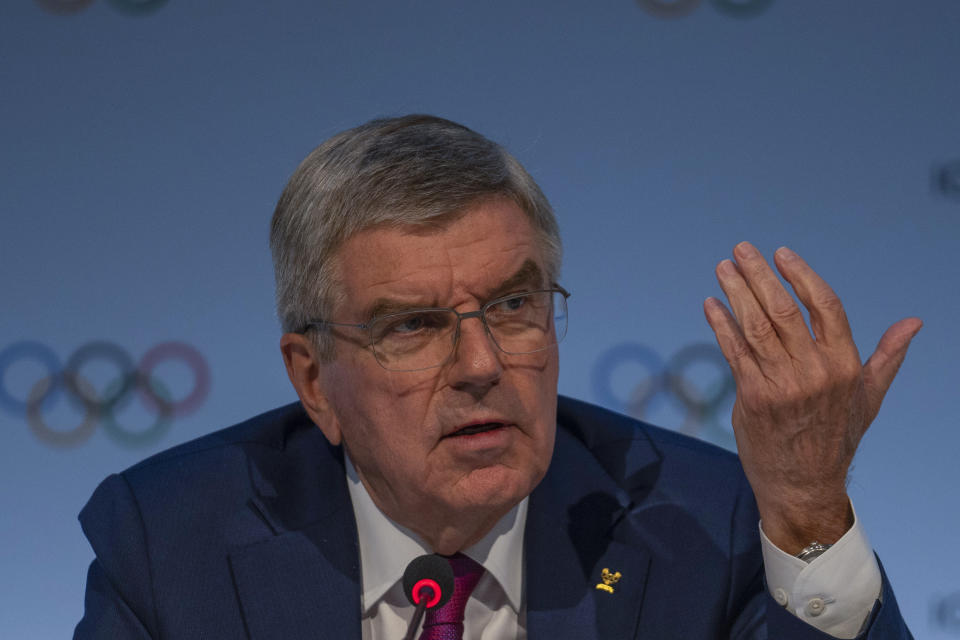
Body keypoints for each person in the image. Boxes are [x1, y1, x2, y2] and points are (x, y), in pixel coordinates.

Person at [74, 115, 920, 639]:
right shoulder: (169, 540)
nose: (482, 366)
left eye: (514, 307)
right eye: (412, 324)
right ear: (315, 382)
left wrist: (809, 513)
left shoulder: (705, 523)